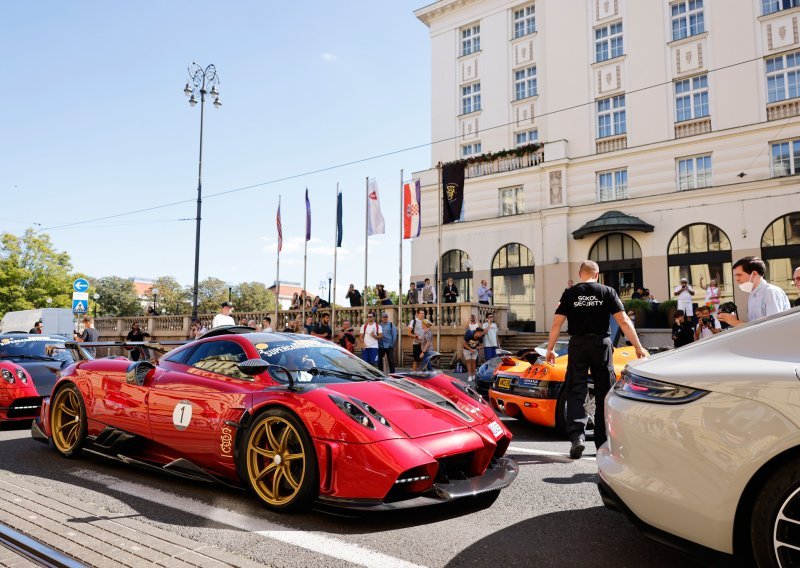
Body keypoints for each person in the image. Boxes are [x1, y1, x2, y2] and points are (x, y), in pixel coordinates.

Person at [545, 260, 648, 459]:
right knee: (604, 390)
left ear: (579, 274)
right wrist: (637, 346)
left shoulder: (570, 293)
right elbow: (624, 321)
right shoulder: (607, 291)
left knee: (576, 389)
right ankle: (602, 441)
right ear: (597, 274)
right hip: (601, 344)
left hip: (577, 345)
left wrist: (550, 349)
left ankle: (577, 438)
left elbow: (556, 323)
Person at [718, 256, 791, 326]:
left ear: (754, 274)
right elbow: (755, 326)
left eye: (739, 275)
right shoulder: (752, 294)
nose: (737, 279)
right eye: (735, 276)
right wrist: (732, 320)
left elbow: (774, 326)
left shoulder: (771, 292)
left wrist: (736, 323)